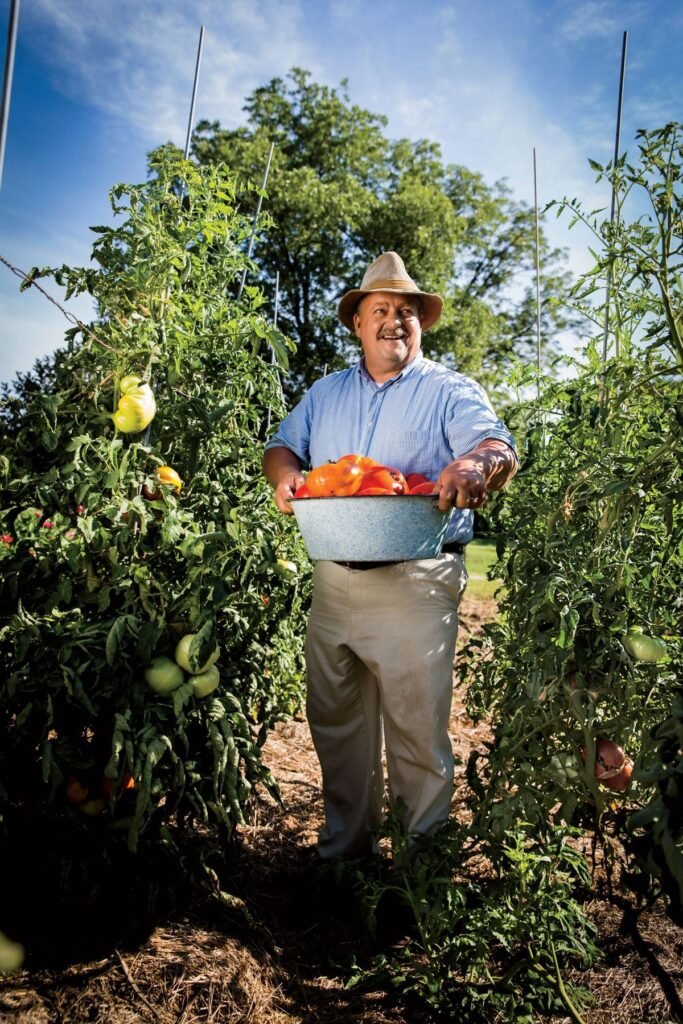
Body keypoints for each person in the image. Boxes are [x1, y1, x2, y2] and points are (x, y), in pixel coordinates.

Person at [263, 251, 517, 860]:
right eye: (381, 308)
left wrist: (475, 464)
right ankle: (343, 857)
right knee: (337, 726)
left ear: (421, 323)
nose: (394, 320)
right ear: (358, 322)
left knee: (415, 733)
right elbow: (282, 446)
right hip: (332, 582)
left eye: (407, 310)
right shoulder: (324, 393)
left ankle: (418, 872)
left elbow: (495, 444)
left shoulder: (449, 390)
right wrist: (285, 478)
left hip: (416, 579)